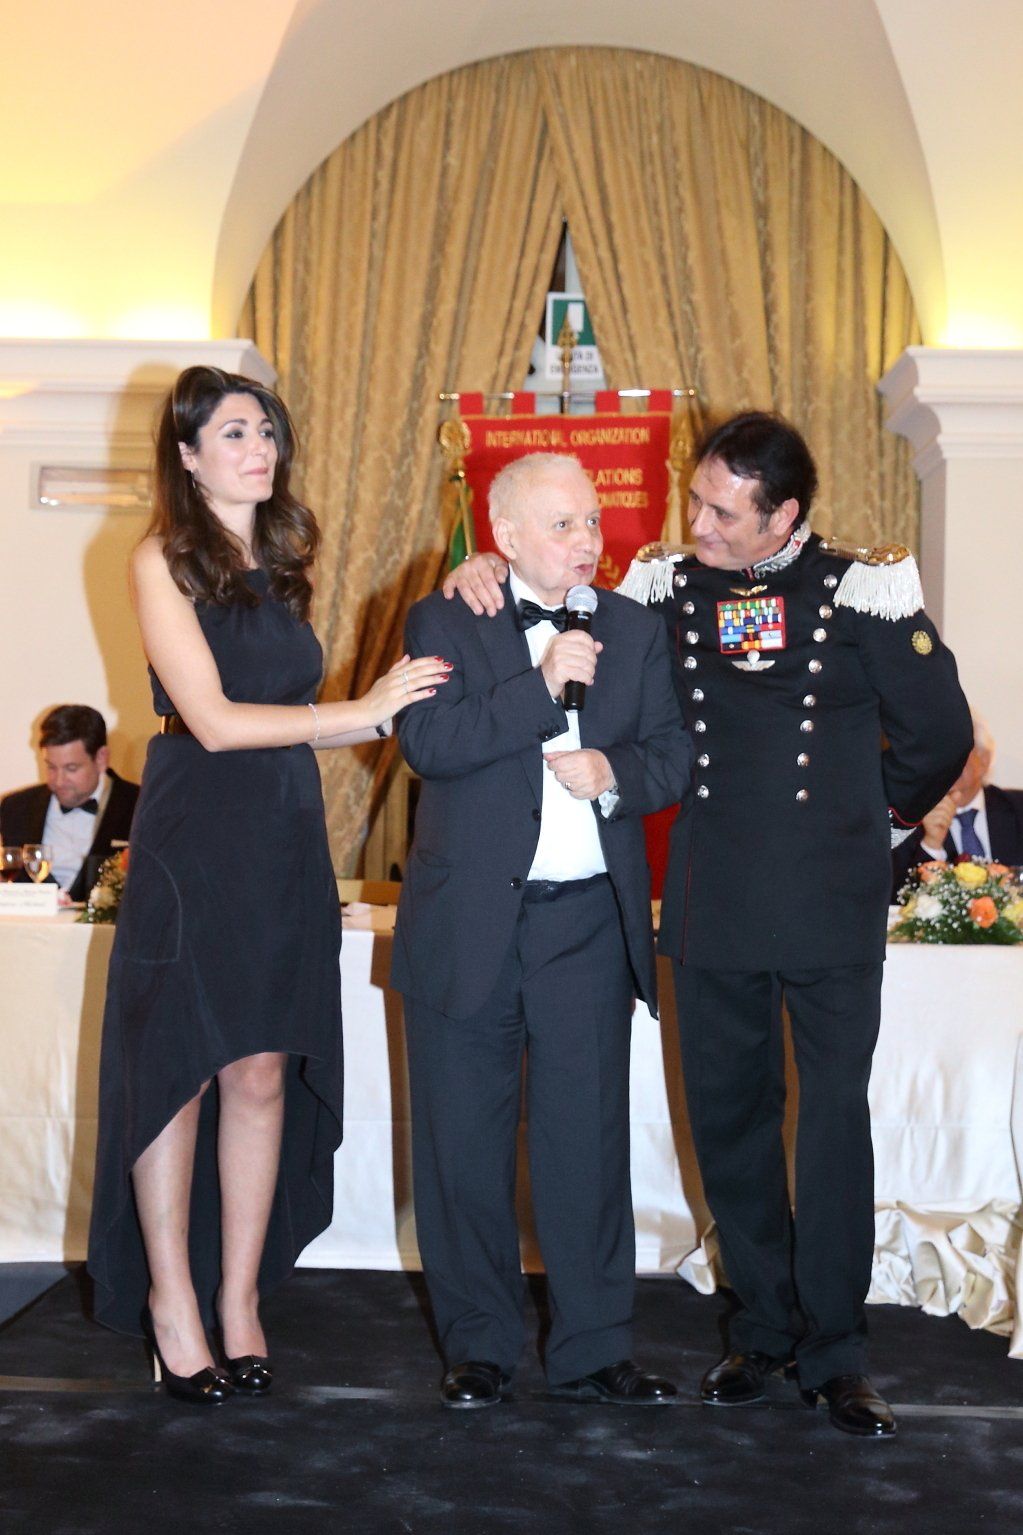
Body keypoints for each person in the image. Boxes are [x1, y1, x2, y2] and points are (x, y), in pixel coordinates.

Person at [444, 413, 972, 1438]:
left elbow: (940, 729)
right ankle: (762, 1330)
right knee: (729, 1122)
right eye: (695, 501)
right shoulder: (666, 587)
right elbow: (557, 607)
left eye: (724, 512)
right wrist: (483, 570)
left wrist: (872, 823)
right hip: (714, 894)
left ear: (785, 515)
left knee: (830, 1123)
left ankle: (836, 1350)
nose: (698, 523)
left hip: (828, 898)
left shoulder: (861, 590)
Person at [86, 365, 447, 1405]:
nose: (260, 447)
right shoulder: (160, 557)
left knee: (260, 1069)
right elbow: (211, 720)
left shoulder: (281, 561)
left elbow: (288, 718)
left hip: (285, 829)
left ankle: (239, 1298)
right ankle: (173, 1304)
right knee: (181, 1070)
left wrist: (382, 705)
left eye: (267, 430)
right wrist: (359, 711)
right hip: (196, 830)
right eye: (235, 431)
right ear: (188, 454)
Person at [393, 453, 690, 1409]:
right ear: (505, 535)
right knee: (462, 1145)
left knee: (586, 1144)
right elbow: (426, 743)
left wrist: (615, 772)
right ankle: (478, 1346)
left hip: (586, 925)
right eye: (562, 525)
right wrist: (538, 682)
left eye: (592, 520)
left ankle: (594, 1348)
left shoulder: (635, 628)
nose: (586, 540)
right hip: (466, 920)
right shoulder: (446, 617)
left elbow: (673, 754)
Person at [0, 705, 139, 901]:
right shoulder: (15, 807)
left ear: (101, 758)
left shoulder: (139, 805)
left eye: (71, 768)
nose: (58, 781)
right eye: (51, 767)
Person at [891, 716, 1023, 897]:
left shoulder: (1018, 808)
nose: (944, 762)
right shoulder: (904, 818)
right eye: (935, 754)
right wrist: (931, 845)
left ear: (984, 760)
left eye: (955, 751)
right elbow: (896, 899)